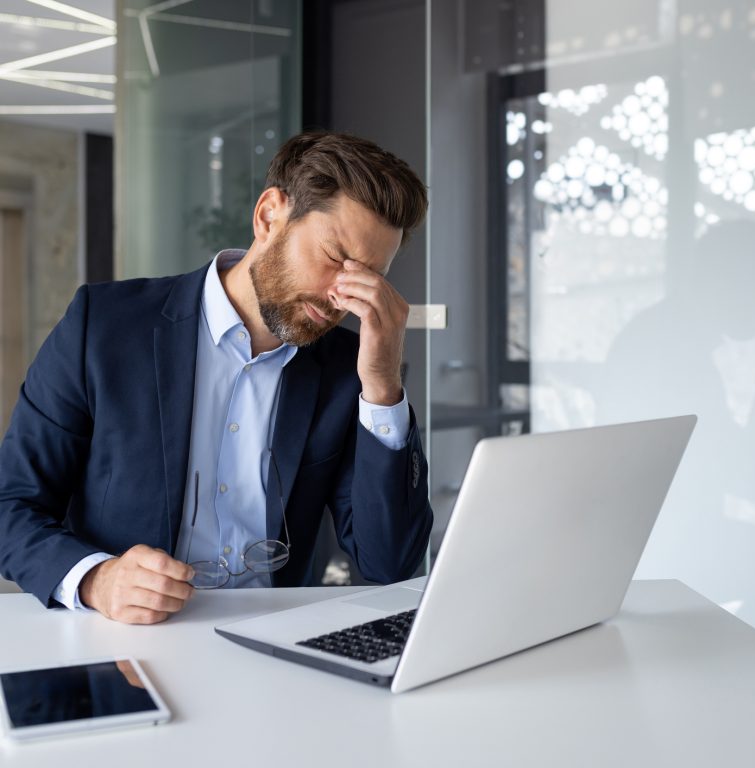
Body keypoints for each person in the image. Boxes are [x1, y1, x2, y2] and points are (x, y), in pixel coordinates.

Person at [0, 131, 433, 625]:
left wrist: (381, 386)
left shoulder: (347, 370)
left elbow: (390, 562)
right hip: (127, 641)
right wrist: (98, 579)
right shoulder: (103, 326)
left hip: (277, 648)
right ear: (270, 215)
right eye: (335, 258)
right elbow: (11, 503)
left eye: (368, 278)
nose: (342, 296)